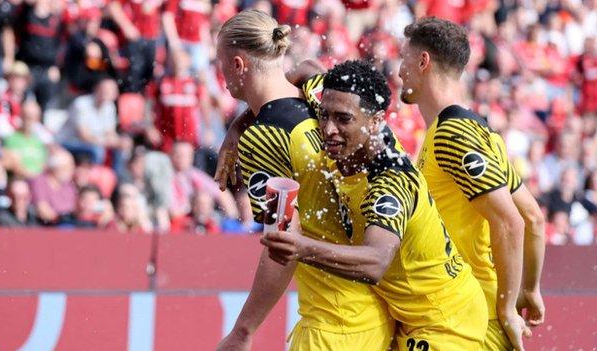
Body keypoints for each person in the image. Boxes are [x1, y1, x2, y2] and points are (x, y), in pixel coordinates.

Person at [262, 60, 488, 350]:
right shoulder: (343, 99)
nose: (329, 129)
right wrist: (241, 125)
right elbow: (306, 68)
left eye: (343, 119)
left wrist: (301, 247)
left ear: (376, 121)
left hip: (443, 322)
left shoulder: (389, 183)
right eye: (324, 115)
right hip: (403, 317)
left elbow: (375, 261)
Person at [215, 10, 393, 351]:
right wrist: (239, 124)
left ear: (238, 65)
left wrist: (243, 331)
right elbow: (309, 65)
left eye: (221, 64)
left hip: (332, 324)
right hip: (379, 310)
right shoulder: (322, 93)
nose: (221, 75)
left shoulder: (263, 139)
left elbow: (282, 244)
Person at [398, 17, 543, 350]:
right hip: (471, 316)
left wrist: (508, 308)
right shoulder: (478, 131)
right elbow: (534, 217)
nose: (399, 70)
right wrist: (529, 291)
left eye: (403, 58)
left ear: (423, 62)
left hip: (466, 320)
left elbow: (511, 221)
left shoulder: (454, 134)